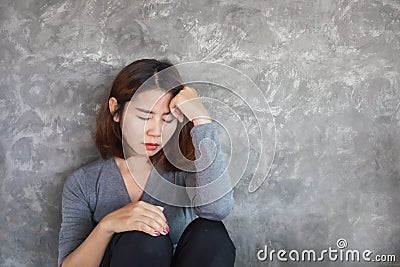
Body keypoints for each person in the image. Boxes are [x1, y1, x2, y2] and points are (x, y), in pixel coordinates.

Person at [58, 58, 236, 267]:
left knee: (211, 233)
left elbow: (217, 211)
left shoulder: (182, 171)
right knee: (143, 240)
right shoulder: (84, 183)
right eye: (145, 116)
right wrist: (108, 226)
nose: (156, 131)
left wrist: (202, 120)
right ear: (116, 110)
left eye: (167, 118)